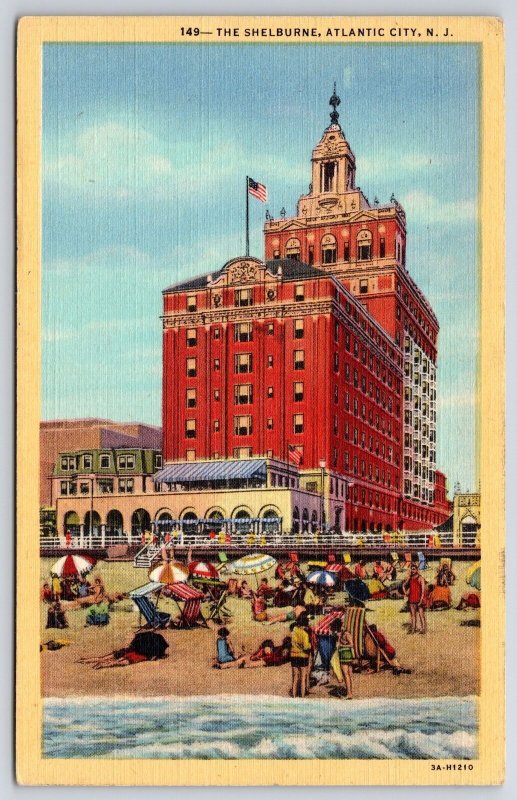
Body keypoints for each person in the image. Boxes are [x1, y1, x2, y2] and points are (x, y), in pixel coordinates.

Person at [78, 631, 169, 669]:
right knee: (121, 661)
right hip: (139, 653)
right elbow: (153, 656)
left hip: (131, 649)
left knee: (104, 657)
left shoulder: (146, 638)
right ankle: (105, 664)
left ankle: (86, 660)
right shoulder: (152, 649)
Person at [289, 612, 312, 697]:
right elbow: (306, 647)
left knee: (295, 678)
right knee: (303, 678)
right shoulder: (305, 634)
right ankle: (302, 697)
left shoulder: (294, 631)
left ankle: (294, 696)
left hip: (294, 655)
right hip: (303, 656)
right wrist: (310, 645)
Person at [330, 624, 354, 699]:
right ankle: (349, 692)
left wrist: (342, 646)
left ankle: (349, 694)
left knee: (346, 674)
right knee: (348, 674)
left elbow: (351, 645)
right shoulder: (343, 634)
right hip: (345, 654)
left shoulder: (347, 634)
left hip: (345, 655)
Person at [402, 563, 427, 633]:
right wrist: (405, 593)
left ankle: (423, 629)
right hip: (411, 598)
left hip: (419, 599)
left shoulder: (420, 578)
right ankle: (413, 629)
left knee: (421, 614)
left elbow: (423, 590)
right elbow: (403, 585)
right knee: (413, 615)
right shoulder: (410, 578)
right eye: (411, 569)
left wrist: (421, 599)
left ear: (417, 569)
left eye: (414, 569)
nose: (412, 571)